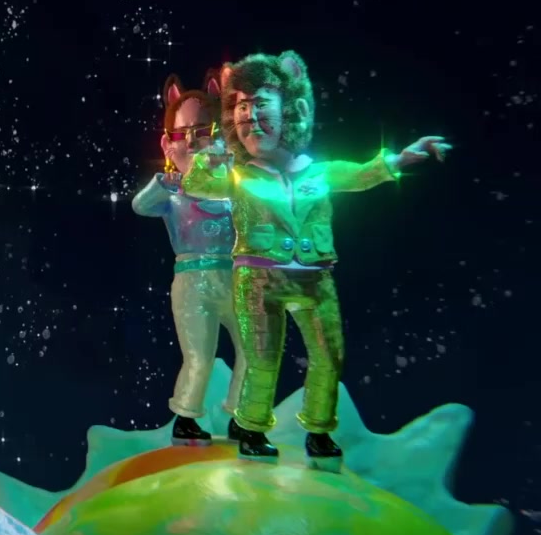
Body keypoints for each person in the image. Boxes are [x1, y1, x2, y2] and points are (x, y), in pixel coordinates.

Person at [182, 50, 450, 470]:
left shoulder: (317, 172)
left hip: (315, 277)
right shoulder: (239, 176)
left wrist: (401, 159)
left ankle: (320, 431)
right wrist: (205, 160)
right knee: (262, 357)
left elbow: (362, 174)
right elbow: (198, 185)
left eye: (261, 103)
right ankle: (251, 428)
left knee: (329, 355)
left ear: (290, 109)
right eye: (242, 106)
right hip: (259, 280)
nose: (250, 116)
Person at [131, 71, 247, 446]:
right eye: (184, 134)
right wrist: (161, 183)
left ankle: (244, 415)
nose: (194, 142)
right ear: (168, 144)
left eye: (204, 131)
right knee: (199, 356)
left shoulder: (234, 187)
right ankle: (186, 417)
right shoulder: (173, 192)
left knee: (254, 349)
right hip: (193, 282)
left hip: (237, 277)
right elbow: (140, 206)